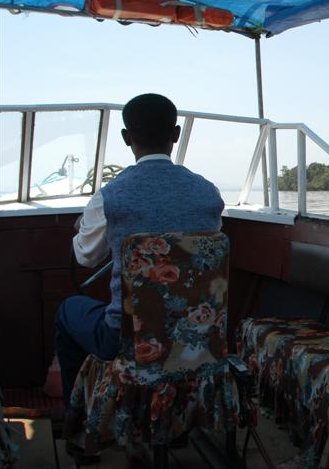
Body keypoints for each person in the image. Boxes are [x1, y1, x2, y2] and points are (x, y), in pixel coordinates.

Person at [56, 92, 224, 413]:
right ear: (175, 135)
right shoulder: (208, 194)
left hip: (128, 341)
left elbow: (86, 258)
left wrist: (83, 229)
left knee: (68, 310)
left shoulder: (109, 197)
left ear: (126, 137)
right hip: (198, 337)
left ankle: (77, 419)